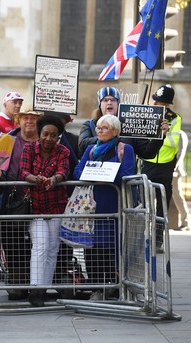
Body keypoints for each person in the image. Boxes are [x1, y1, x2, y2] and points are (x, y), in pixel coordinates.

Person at [75, 114, 135, 299]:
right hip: (93, 208)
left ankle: (116, 286)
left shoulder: (125, 149)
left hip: (115, 207)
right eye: (99, 127)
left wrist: (100, 173)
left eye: (105, 127)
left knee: (113, 249)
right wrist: (101, 174)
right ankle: (97, 288)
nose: (100, 130)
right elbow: (78, 172)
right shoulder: (92, 149)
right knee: (92, 250)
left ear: (115, 131)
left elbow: (126, 174)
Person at [0, 107, 43, 300]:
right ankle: (17, 283)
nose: (29, 121)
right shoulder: (7, 140)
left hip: (41, 200)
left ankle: (38, 284)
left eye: (33, 118)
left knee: (38, 245)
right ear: (18, 120)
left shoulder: (46, 139)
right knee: (13, 244)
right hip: (14, 200)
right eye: (25, 118)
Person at [19, 115, 70, 307]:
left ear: (58, 136)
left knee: (53, 248)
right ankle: (36, 289)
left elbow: (64, 171)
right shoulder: (29, 148)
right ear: (39, 134)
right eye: (45, 134)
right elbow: (22, 172)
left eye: (53, 135)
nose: (49, 138)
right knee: (40, 245)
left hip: (56, 205)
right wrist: (34, 178)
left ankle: (45, 287)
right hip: (36, 206)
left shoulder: (63, 151)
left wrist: (54, 179)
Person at [141, 84, 182, 251]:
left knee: (161, 204)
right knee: (144, 202)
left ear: (168, 105)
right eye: (156, 102)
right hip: (148, 162)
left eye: (162, 104)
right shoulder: (145, 113)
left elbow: (174, 143)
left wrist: (162, 134)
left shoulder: (175, 118)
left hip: (165, 165)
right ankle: (142, 235)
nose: (158, 106)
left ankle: (158, 239)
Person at [78, 86, 165, 161]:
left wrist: (160, 135)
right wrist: (106, 136)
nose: (109, 102)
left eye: (113, 100)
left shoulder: (131, 124)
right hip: (97, 173)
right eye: (105, 100)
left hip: (123, 177)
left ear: (118, 104)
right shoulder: (90, 125)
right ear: (100, 105)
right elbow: (82, 146)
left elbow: (147, 154)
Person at [168, 130, 189, 231]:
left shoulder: (180, 134)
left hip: (175, 171)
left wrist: (174, 168)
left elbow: (181, 152)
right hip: (164, 169)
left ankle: (185, 222)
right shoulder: (166, 132)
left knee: (177, 196)